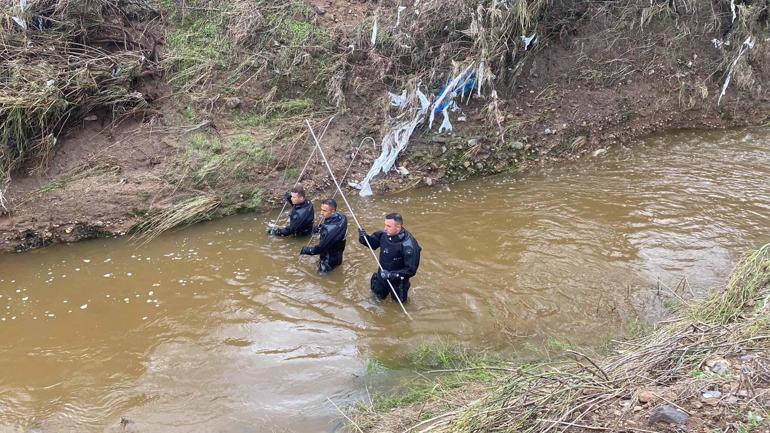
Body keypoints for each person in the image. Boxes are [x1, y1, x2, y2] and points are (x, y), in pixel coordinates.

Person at [358, 213, 421, 302]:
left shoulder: (409, 246)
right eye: (385, 225)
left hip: (398, 282)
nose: (385, 228)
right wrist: (364, 238)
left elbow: (411, 270)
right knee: (376, 300)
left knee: (398, 305)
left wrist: (391, 275)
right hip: (382, 276)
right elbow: (372, 244)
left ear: (398, 227)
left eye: (389, 226)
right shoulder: (383, 235)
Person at [299, 199, 348, 273]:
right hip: (337, 256)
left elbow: (320, 249)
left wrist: (306, 250)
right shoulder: (342, 218)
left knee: (320, 277)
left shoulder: (329, 231)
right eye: (321, 209)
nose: (321, 213)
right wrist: (320, 228)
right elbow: (333, 230)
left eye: (324, 211)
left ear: (333, 211)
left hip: (328, 262)